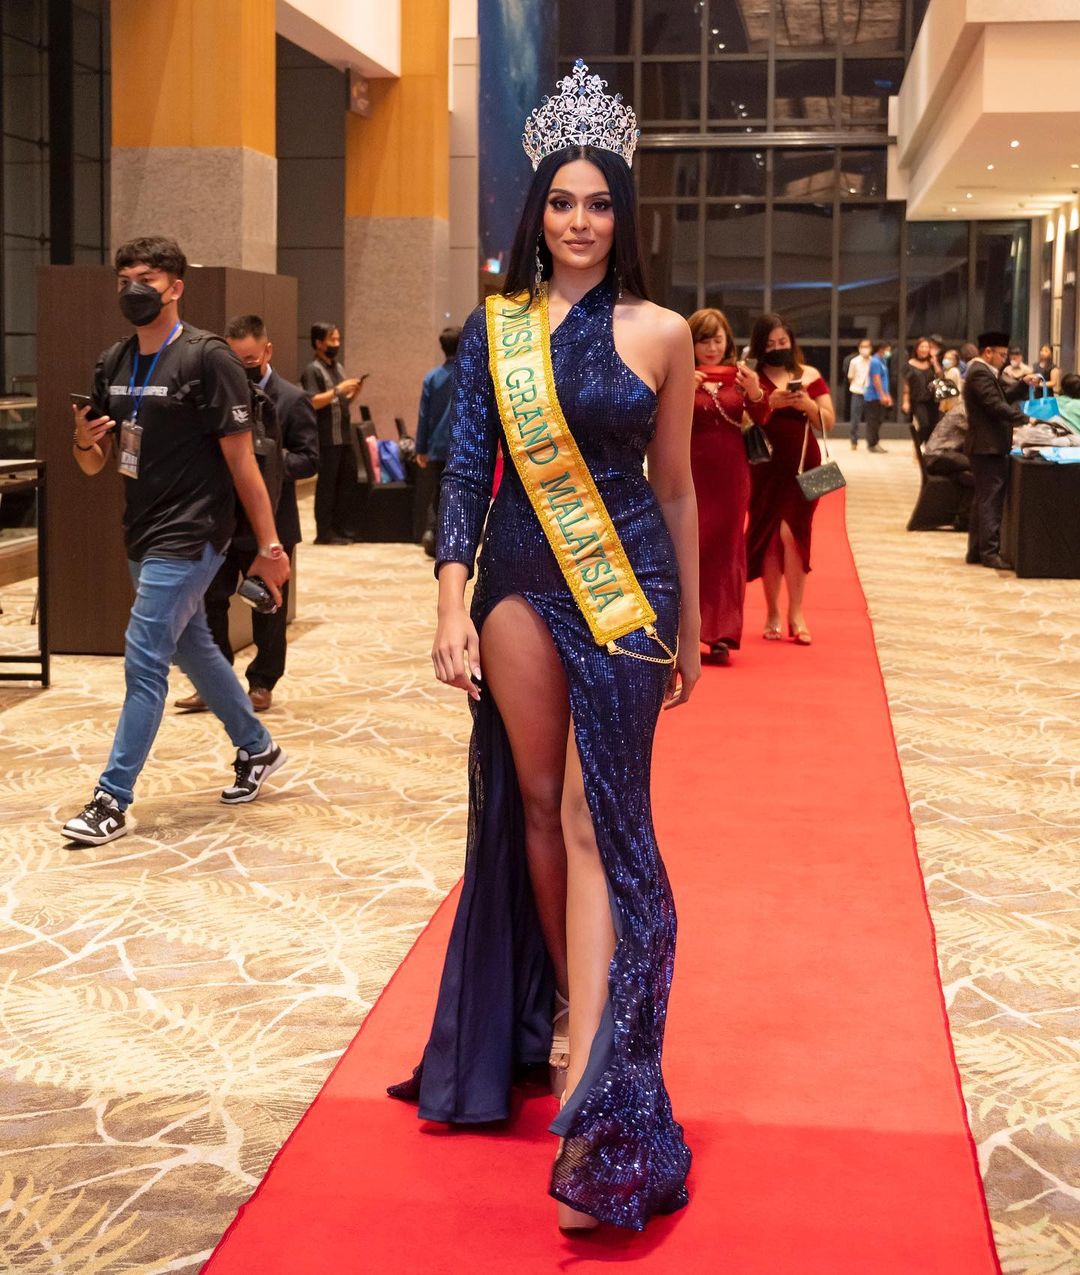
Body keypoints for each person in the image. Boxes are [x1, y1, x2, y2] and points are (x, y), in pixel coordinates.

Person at [388, 60, 699, 1233]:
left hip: (627, 588)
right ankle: (573, 1004)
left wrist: (692, 623)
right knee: (532, 804)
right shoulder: (497, 329)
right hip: (517, 577)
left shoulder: (663, 332)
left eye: (600, 202)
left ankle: (605, 1083)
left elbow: (677, 486)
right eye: (563, 202)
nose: (580, 221)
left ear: (624, 214)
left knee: (595, 815)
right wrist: (449, 601)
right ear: (538, 212)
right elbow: (468, 468)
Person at [61, 236, 290, 847]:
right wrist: (83, 439)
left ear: (176, 287)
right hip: (141, 529)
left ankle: (111, 797)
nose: (135, 289)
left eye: (148, 278)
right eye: (125, 279)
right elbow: (95, 463)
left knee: (144, 657)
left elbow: (243, 463)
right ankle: (257, 747)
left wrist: (269, 546)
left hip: (194, 531)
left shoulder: (207, 358)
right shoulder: (113, 362)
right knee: (193, 647)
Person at [174, 314, 318, 714]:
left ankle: (262, 683)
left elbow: (309, 459)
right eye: (235, 361)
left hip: (271, 521)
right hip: (220, 521)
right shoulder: (213, 398)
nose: (242, 369)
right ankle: (213, 683)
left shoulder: (292, 399)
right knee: (209, 604)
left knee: (268, 608)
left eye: (250, 360)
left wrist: (264, 461)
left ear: (267, 351)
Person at [746, 312, 836, 646]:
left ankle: (796, 612)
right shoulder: (752, 377)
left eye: (782, 341)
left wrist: (807, 404)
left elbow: (828, 421)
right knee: (770, 537)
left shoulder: (809, 375)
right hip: (763, 467)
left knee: (793, 534)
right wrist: (768, 402)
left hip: (805, 467)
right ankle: (772, 612)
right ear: (760, 346)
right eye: (770, 343)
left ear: (791, 341)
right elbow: (742, 419)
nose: (777, 348)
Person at [688, 307, 768, 664]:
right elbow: (654, 422)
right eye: (703, 340)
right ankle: (687, 630)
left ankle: (722, 633)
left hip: (732, 475)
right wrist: (679, 391)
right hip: (689, 472)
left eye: (717, 340)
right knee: (691, 548)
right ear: (691, 343)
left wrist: (756, 393)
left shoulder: (741, 376)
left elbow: (762, 419)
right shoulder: (679, 373)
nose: (711, 348)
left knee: (728, 549)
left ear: (728, 341)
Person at [962, 330, 1041, 569]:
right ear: (988, 352)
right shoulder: (979, 372)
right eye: (1002, 355)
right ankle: (989, 553)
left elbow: (1002, 396)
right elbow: (995, 405)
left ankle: (977, 551)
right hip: (987, 446)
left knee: (983, 499)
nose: (1005, 359)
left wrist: (1022, 384)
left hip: (987, 445)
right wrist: (1025, 418)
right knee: (990, 501)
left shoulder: (984, 372)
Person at [302, 322, 365, 545]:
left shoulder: (337, 367)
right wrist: (339, 390)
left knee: (345, 484)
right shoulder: (312, 370)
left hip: (343, 436)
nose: (337, 344)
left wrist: (353, 393)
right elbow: (312, 401)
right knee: (327, 487)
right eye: (332, 340)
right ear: (319, 343)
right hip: (327, 437)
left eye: (338, 339)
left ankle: (341, 528)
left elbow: (339, 402)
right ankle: (324, 533)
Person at [414, 325, 461, 556]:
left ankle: (432, 534)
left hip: (435, 447)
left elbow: (423, 416)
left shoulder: (431, 377)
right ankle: (454, 539)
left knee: (436, 494)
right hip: (461, 446)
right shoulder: (468, 374)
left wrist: (420, 448)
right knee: (458, 493)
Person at [923, 381, 974, 527]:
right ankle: (964, 518)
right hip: (937, 457)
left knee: (970, 474)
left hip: (940, 455)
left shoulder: (963, 408)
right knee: (981, 469)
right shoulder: (963, 411)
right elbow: (979, 432)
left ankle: (964, 516)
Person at [902, 336, 939, 445]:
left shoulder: (931, 363)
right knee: (924, 424)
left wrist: (935, 362)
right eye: (922, 347)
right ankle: (917, 447)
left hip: (932, 400)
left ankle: (928, 450)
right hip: (917, 400)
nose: (924, 349)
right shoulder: (909, 364)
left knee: (933, 426)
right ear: (917, 349)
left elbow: (940, 376)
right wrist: (905, 401)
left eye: (927, 347)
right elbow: (906, 384)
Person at [862, 338, 892, 453]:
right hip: (873, 396)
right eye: (888, 349)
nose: (889, 352)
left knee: (879, 420)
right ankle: (872, 444)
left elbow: (884, 379)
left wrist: (887, 395)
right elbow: (876, 379)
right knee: (873, 421)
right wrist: (882, 395)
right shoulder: (875, 361)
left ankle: (875, 442)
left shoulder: (882, 361)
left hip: (880, 395)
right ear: (881, 349)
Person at [847, 337, 873, 450]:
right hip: (857, 392)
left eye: (867, 346)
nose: (865, 349)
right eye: (863, 346)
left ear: (871, 348)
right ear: (859, 348)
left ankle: (871, 442)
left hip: (870, 393)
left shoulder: (874, 361)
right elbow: (850, 377)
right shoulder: (854, 361)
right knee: (855, 419)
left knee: (871, 419)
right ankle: (854, 441)